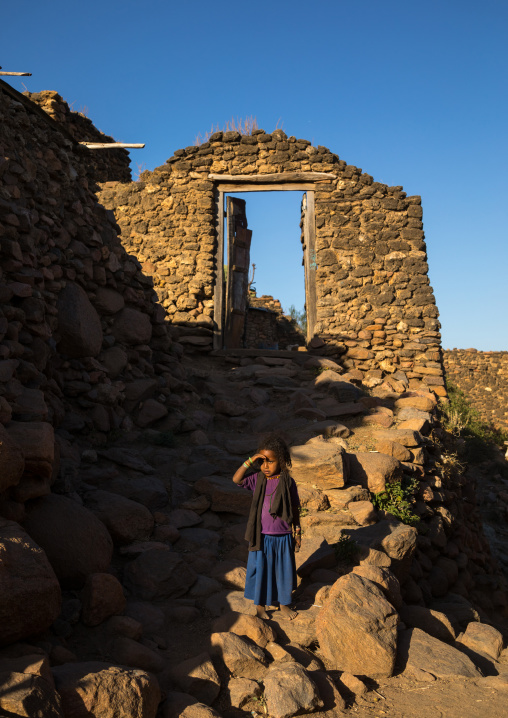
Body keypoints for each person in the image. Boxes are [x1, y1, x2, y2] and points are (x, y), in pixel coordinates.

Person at [232, 434, 301, 620]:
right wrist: (250, 460)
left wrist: (298, 530)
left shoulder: (288, 482)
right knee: (261, 571)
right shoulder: (257, 479)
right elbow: (236, 479)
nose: (266, 466)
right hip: (261, 536)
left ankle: (284, 605)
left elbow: (294, 507)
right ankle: (260, 607)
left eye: (270, 461)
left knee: (283, 572)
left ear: (282, 461)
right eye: (262, 462)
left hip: (283, 535)